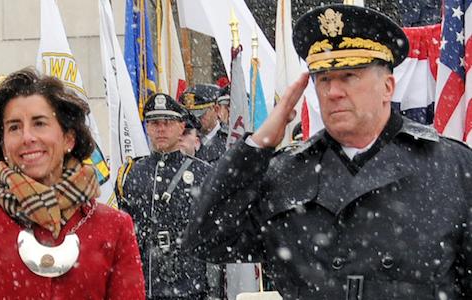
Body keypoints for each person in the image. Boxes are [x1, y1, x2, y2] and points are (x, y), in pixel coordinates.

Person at [184, 4, 472, 299]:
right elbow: (207, 240)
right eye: (324, 79)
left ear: (388, 87)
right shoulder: (287, 172)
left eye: (349, 76)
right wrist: (257, 145)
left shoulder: (450, 167)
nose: (333, 92)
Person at [0, 68, 145, 299]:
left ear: (68, 138)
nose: (27, 137)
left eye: (39, 123)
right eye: (14, 127)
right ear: (3, 144)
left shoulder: (114, 228)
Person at [116, 93, 211, 299]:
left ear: (181, 127)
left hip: (189, 286)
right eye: (154, 123)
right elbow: (122, 235)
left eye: (167, 123)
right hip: (142, 284)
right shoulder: (130, 174)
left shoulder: (203, 174)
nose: (161, 129)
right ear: (147, 128)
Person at [181, 84, 227, 163]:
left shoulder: (229, 141)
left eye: (200, 115)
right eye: (189, 117)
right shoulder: (179, 140)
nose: (194, 121)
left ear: (216, 109)